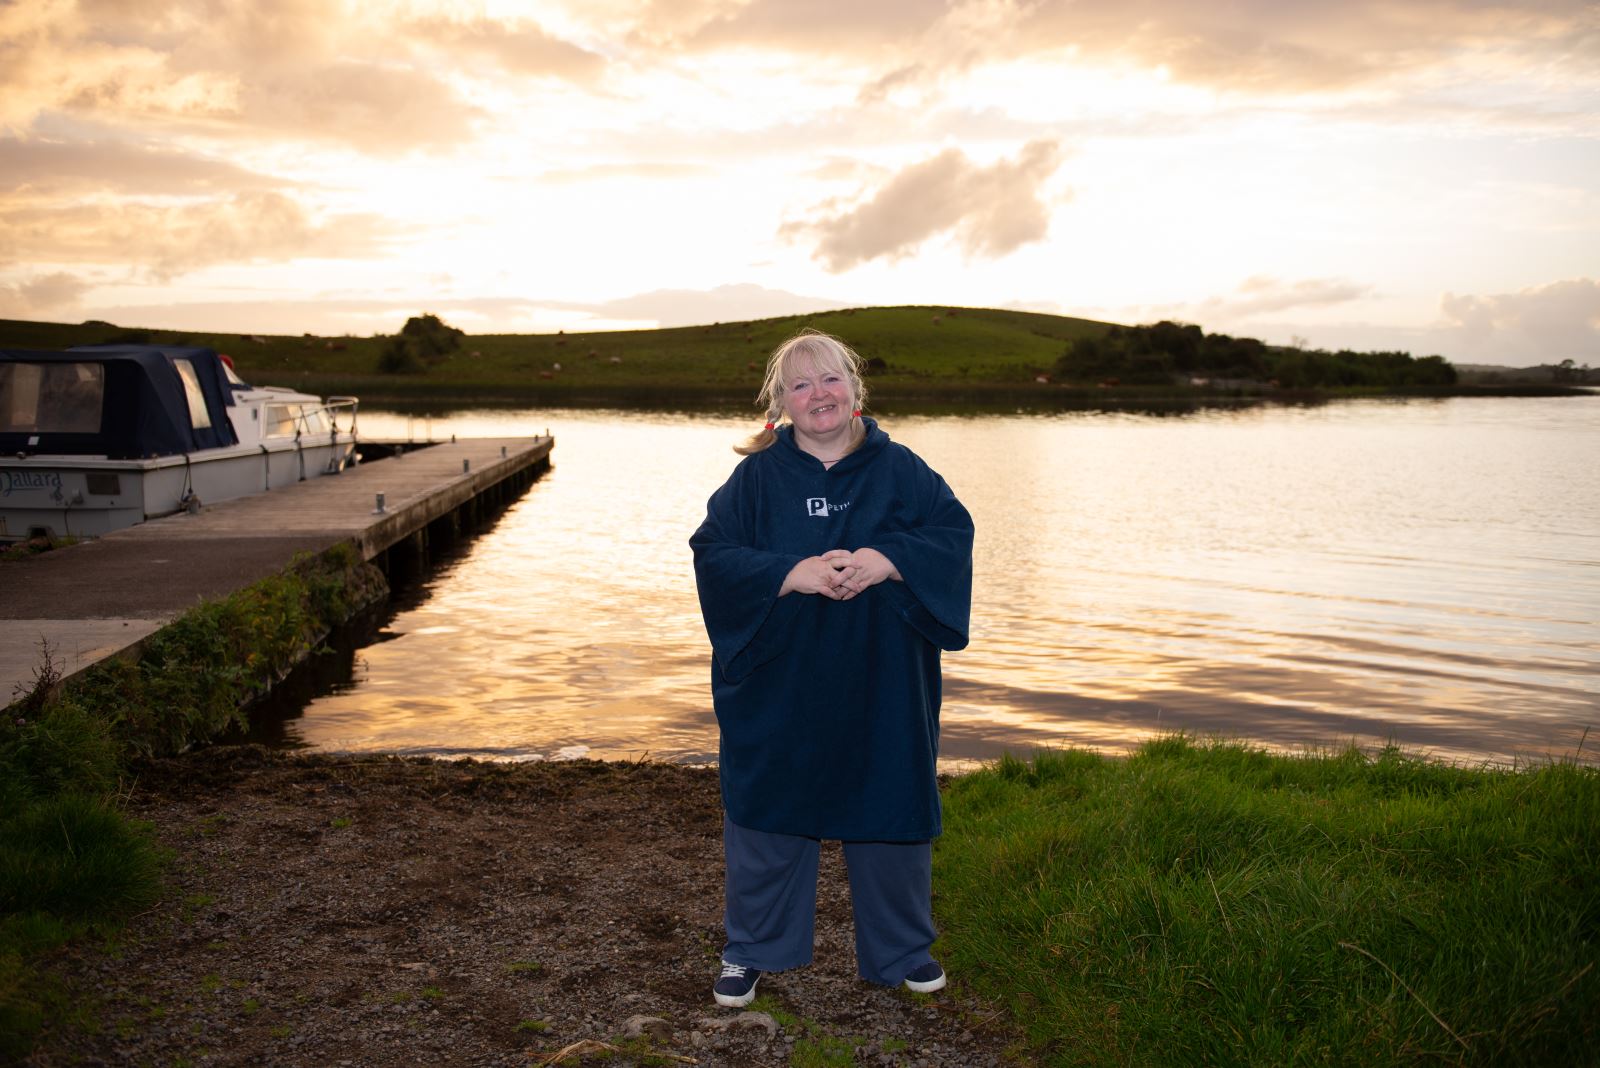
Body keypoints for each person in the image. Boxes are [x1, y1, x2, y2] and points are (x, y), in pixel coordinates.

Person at [689, 329, 974, 1008]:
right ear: (781, 403)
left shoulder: (903, 470)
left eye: (830, 380)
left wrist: (890, 559)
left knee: (890, 804)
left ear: (854, 388)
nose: (818, 395)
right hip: (779, 681)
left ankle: (903, 950)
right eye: (800, 385)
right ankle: (752, 949)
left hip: (883, 678)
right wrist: (790, 572)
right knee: (768, 808)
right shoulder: (755, 479)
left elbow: (951, 533)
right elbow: (713, 554)